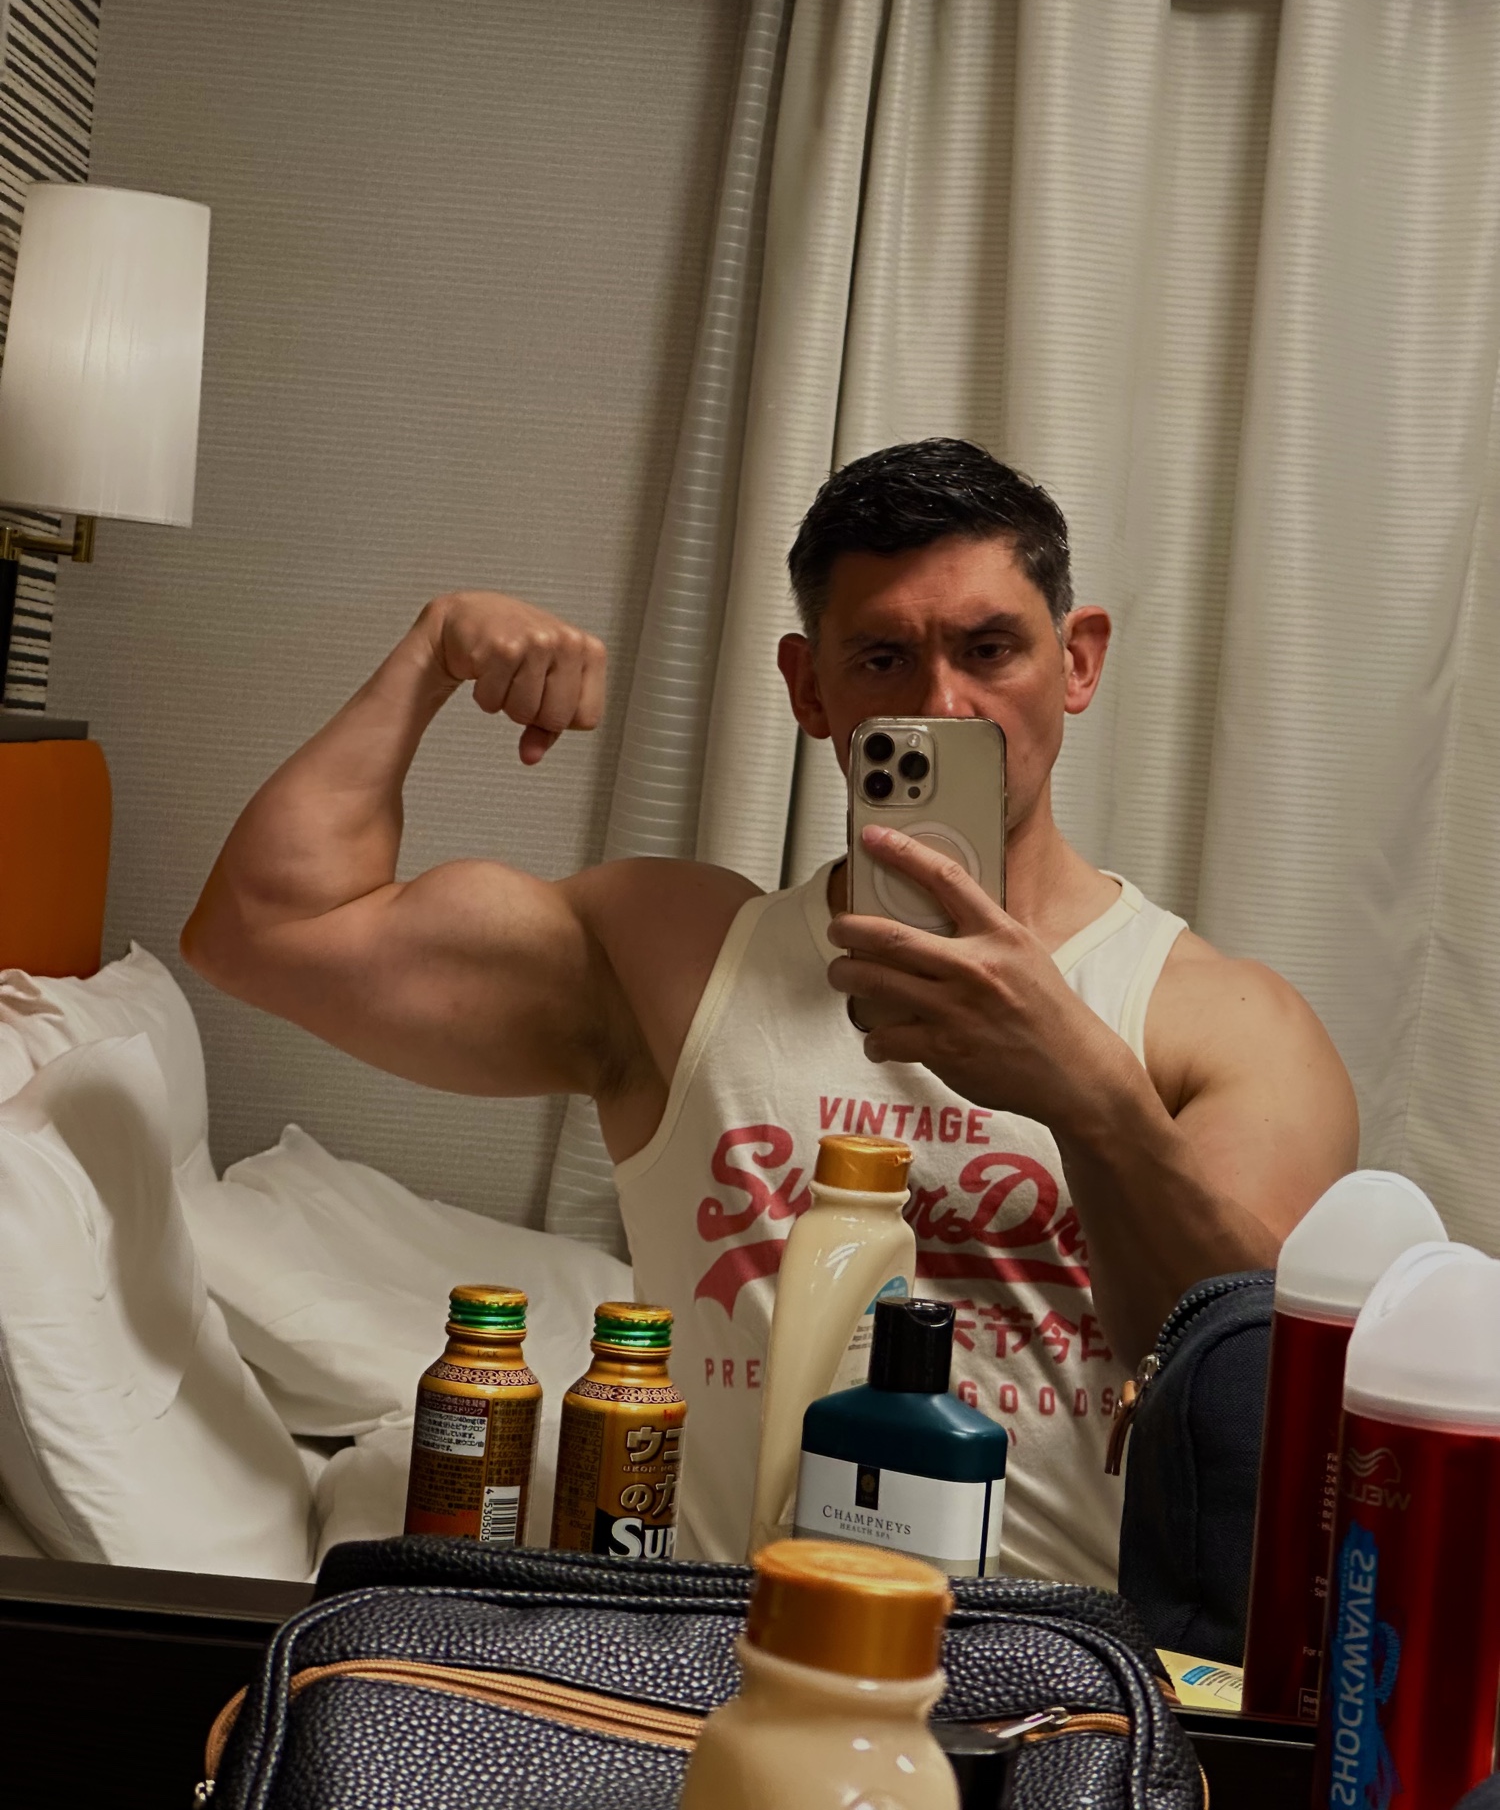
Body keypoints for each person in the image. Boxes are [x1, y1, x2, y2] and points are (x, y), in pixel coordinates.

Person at [183, 438, 1357, 1584]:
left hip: (1055, 1666)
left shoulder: (1219, 1019)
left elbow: (1263, 1408)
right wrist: (432, 652)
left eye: (991, 647)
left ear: (1078, 660)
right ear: (808, 688)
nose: (943, 704)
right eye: (883, 657)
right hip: (725, 1644)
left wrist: (1088, 1090)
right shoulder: (679, 960)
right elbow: (266, 928)